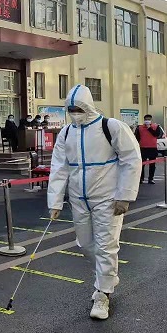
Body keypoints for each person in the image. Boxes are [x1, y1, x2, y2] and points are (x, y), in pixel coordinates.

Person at [48, 84, 141, 320]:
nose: (74, 113)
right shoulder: (66, 133)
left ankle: (103, 294)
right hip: (78, 199)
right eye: (70, 109)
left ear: (88, 106)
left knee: (106, 245)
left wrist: (124, 196)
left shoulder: (111, 127)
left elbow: (131, 159)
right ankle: (107, 278)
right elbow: (59, 168)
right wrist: (55, 201)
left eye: (78, 108)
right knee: (85, 244)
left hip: (107, 199)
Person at [134, 114, 164, 184]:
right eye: (146, 119)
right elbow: (137, 137)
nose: (147, 121)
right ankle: (141, 178)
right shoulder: (140, 128)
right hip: (143, 148)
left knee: (152, 164)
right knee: (142, 164)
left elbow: (157, 135)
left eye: (149, 119)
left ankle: (151, 178)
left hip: (152, 148)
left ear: (151, 120)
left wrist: (149, 128)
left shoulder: (156, 126)